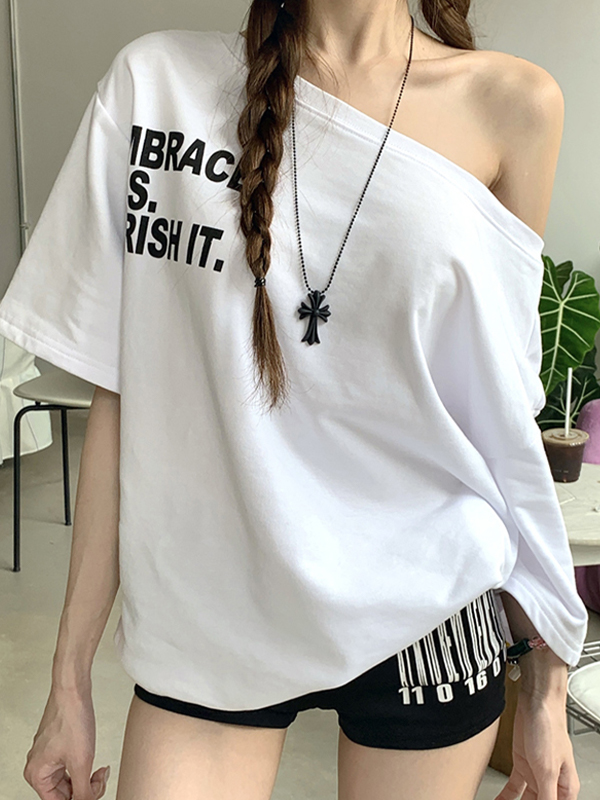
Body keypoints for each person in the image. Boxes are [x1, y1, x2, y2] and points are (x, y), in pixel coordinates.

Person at [0, 0, 588, 798]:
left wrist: (545, 689)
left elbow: (500, 413)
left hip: (428, 607)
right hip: (211, 606)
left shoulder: (513, 105)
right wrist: (68, 680)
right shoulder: (158, 85)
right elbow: (124, 391)